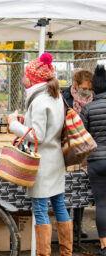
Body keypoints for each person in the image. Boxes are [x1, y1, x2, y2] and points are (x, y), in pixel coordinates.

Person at [8, 53, 72, 256]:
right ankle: (66, 252)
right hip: (56, 161)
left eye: (27, 76)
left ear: (34, 79)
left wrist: (13, 124)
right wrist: (25, 120)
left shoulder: (38, 101)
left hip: (41, 164)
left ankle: (44, 254)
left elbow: (38, 136)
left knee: (40, 210)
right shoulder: (56, 96)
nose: (24, 79)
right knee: (60, 206)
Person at [62, 69, 94, 239]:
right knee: (68, 188)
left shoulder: (94, 99)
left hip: (86, 147)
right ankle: (66, 227)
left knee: (80, 188)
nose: (86, 91)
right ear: (76, 85)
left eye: (89, 88)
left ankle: (78, 227)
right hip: (69, 146)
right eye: (84, 88)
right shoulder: (65, 98)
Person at [80, 65, 106, 256]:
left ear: (93, 89)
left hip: (96, 161)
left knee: (102, 204)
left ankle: (105, 246)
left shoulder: (87, 108)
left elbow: (82, 137)